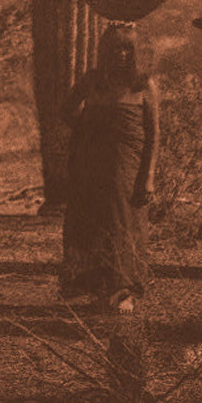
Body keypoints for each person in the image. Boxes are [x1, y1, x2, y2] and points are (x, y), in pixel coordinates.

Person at [59, 23, 159, 313]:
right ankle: (99, 287)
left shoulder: (144, 84)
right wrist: (88, 130)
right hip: (90, 164)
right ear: (105, 51)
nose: (123, 54)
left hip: (126, 166)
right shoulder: (92, 81)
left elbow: (154, 135)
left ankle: (125, 291)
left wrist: (149, 177)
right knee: (91, 222)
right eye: (116, 47)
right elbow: (66, 110)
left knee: (124, 222)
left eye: (128, 48)